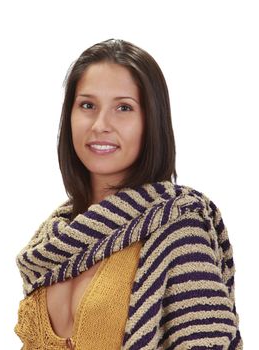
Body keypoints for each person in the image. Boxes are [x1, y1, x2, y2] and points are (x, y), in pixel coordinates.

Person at [14, 39, 242, 349]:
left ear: (151, 121)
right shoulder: (52, 240)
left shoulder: (176, 226)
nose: (100, 125)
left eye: (124, 107)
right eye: (87, 105)